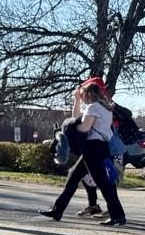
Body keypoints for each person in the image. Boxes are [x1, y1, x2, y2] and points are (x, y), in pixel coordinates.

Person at [41, 85, 127, 226]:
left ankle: (118, 216)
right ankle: (57, 210)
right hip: (99, 148)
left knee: (103, 183)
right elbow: (77, 117)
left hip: (93, 148)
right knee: (73, 177)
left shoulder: (93, 107)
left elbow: (84, 127)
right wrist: (76, 101)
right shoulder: (104, 108)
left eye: (82, 95)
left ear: (88, 94)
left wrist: (67, 130)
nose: (82, 97)